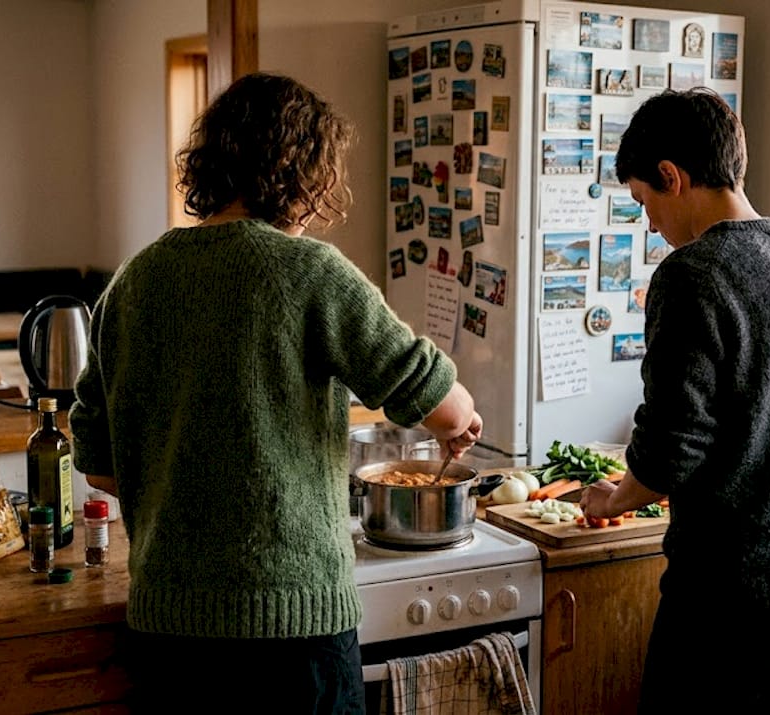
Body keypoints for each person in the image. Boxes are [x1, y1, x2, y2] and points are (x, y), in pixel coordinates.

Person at [68, 72, 483, 714]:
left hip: (170, 628)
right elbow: (435, 395)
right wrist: (461, 421)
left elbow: (99, 462)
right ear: (303, 174)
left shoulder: (135, 280)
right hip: (294, 627)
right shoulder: (308, 272)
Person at [580, 87, 770, 714]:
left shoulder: (692, 274)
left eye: (644, 202)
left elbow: (672, 447)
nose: (651, 225)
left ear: (672, 175)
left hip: (734, 596)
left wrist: (619, 495)